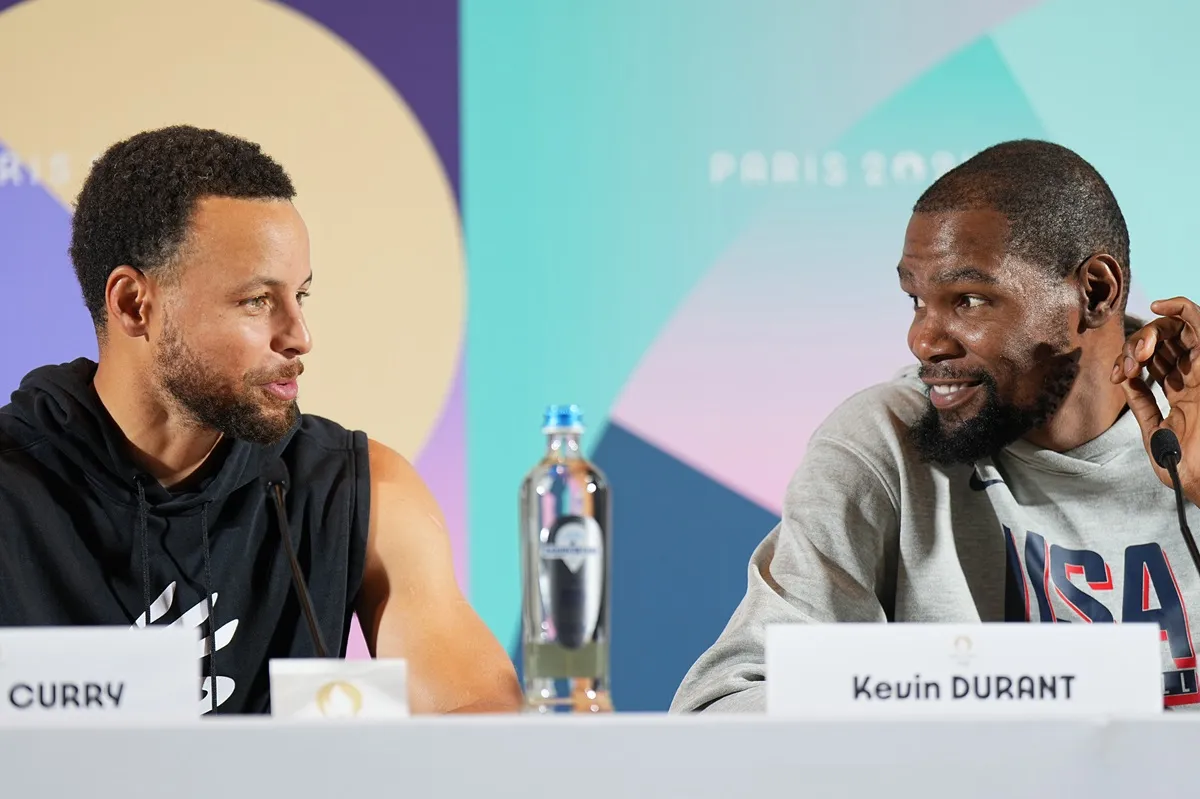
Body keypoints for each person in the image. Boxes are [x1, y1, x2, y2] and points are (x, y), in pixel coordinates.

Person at [0, 125, 521, 715]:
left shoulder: (361, 487)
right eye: (257, 301)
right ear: (132, 304)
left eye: (301, 295)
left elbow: (482, 723)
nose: (299, 337)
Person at [672, 139, 1200, 712]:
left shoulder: (1192, 426)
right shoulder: (883, 443)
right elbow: (715, 710)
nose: (923, 340)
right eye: (917, 300)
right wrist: (937, 727)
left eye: (970, 300)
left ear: (1094, 291)